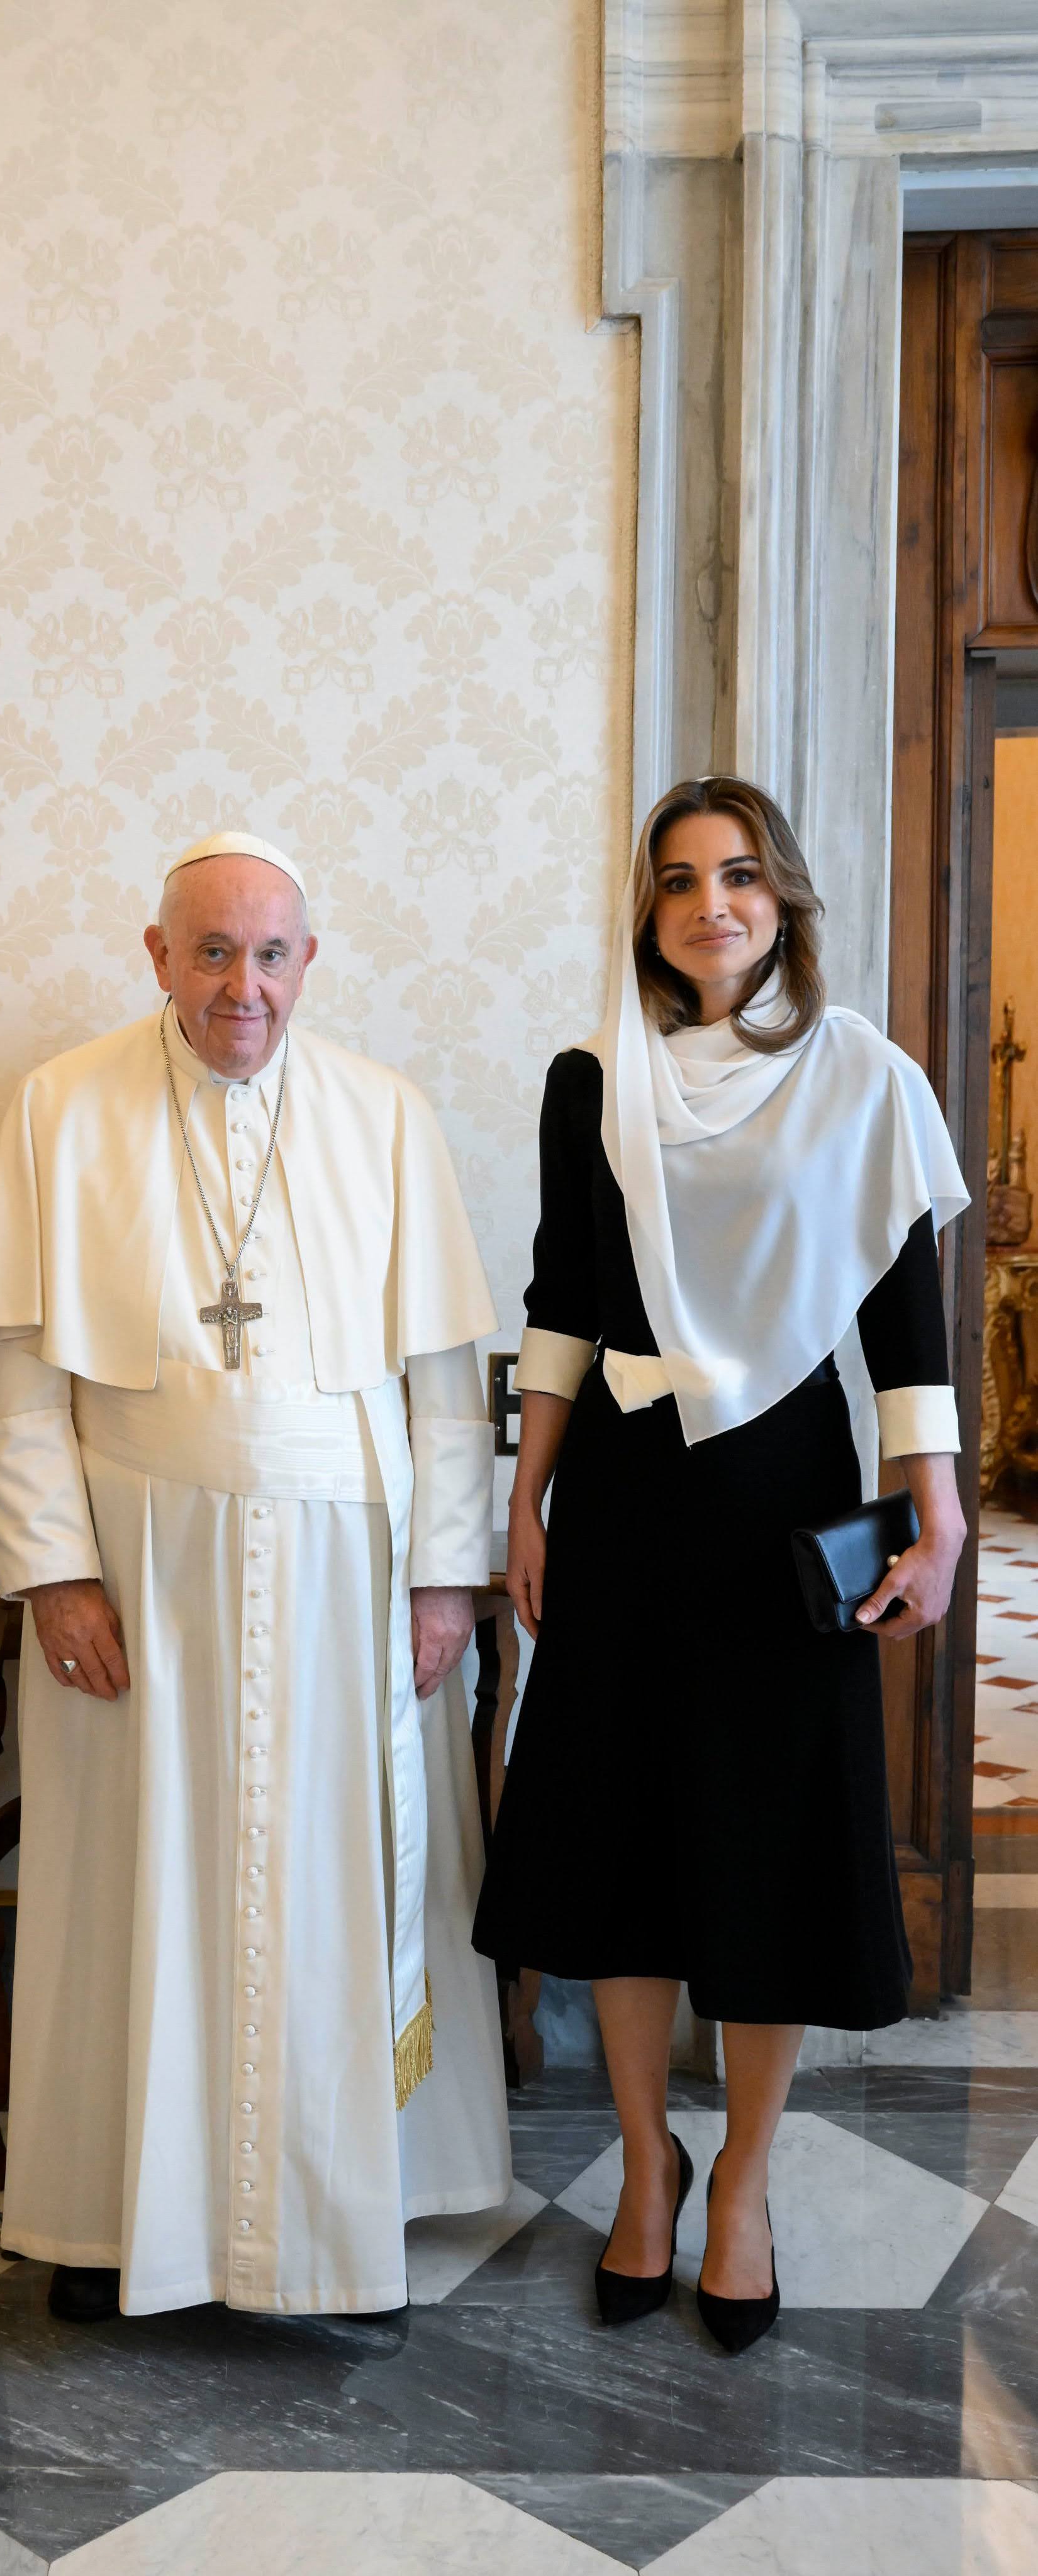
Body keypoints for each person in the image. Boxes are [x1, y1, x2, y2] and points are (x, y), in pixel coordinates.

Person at [0, 830, 511, 2323]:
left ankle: (347, 2211)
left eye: (269, 954)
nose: (240, 986)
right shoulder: (61, 1108)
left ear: (308, 962)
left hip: (350, 1566)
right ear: (155, 955)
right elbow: (14, 1375)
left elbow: (446, 1380)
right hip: (142, 1571)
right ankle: (116, 2212)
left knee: (340, 1873)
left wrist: (444, 1579)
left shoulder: (383, 1113)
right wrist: (55, 1569)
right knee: (137, 1880)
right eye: (210, 952)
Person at [473, 776, 968, 2355]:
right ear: (649, 910)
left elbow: (901, 1324)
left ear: (783, 901)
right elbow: (560, 1293)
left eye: (739, 876)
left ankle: (741, 2180)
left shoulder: (863, 1083)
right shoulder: (591, 1079)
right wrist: (525, 1496)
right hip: (620, 1495)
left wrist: (936, 1504)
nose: (711, 904)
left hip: (780, 1502)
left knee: (770, 1849)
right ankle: (644, 2163)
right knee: (620, 1853)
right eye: (679, 879)